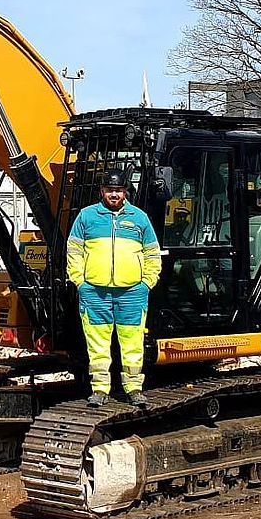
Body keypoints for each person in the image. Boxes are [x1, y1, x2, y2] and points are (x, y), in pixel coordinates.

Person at [67, 169, 162, 407]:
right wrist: (80, 281)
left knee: (132, 343)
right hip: (95, 293)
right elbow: (74, 251)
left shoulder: (139, 218)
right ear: (102, 191)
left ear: (125, 192)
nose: (114, 194)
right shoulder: (87, 217)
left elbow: (152, 253)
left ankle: (134, 388)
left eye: (118, 190)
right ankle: (100, 389)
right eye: (110, 190)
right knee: (97, 344)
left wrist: (147, 283)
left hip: (132, 293)